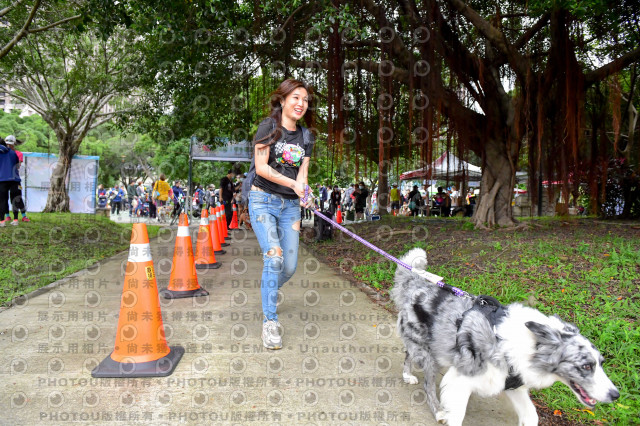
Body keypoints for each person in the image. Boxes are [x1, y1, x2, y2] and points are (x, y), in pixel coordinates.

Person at [249, 78, 315, 350]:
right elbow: (261, 167)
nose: (301, 104)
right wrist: (293, 185)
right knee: (274, 259)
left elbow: (303, 175)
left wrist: (306, 193)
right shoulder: (269, 127)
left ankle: (268, 289)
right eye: (296, 98)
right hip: (262, 199)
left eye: (306, 100)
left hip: (290, 208)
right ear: (283, 100)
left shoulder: (306, 137)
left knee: (288, 267)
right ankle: (270, 322)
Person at [4, 136, 29, 223]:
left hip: (14, 179)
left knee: (17, 197)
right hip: (4, 179)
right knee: (4, 197)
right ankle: (7, 216)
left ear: (14, 144)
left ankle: (23, 216)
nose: (8, 146)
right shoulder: (3, 153)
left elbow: (18, 165)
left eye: (10, 144)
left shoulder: (18, 154)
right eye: (7, 144)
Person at [0, 138, 19, 227]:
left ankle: (2, 221)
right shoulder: (12, 152)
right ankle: (15, 220)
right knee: (14, 199)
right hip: (14, 180)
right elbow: (17, 165)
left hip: (2, 180)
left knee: (2, 200)